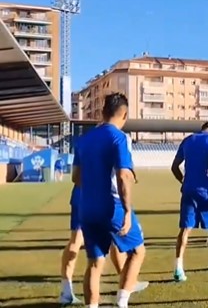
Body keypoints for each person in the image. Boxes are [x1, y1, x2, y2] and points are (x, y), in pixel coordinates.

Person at [72, 93, 146, 308]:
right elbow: (123, 175)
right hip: (111, 207)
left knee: (95, 262)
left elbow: (76, 178)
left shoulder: (84, 139)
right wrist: (127, 212)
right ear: (124, 114)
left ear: (103, 112)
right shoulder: (119, 137)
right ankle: (122, 302)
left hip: (86, 207)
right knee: (137, 251)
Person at [60, 184, 149, 305]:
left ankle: (66, 292)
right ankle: (126, 284)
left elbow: (76, 176)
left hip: (81, 196)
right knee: (129, 247)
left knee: (78, 242)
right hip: (102, 198)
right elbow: (123, 176)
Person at [170, 121, 208, 282]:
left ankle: (178, 268)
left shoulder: (188, 140)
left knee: (185, 229)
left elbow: (174, 167)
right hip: (207, 191)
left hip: (188, 190)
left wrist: (184, 181)